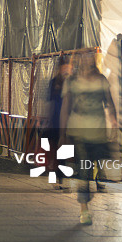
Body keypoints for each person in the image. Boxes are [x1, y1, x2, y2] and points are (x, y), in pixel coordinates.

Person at [61, 53, 117, 225]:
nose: (86, 61)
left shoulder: (101, 79)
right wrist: (62, 133)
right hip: (79, 131)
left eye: (89, 58)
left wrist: (114, 121)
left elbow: (109, 102)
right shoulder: (71, 81)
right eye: (83, 58)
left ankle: (97, 194)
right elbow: (66, 107)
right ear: (78, 61)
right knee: (84, 168)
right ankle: (84, 209)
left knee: (99, 165)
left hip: (98, 131)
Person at [44, 57, 72, 189]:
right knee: (56, 151)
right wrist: (47, 119)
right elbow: (50, 103)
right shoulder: (54, 82)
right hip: (56, 121)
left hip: (69, 121)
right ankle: (57, 177)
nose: (67, 69)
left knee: (64, 151)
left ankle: (61, 177)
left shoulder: (73, 82)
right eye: (64, 66)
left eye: (68, 66)